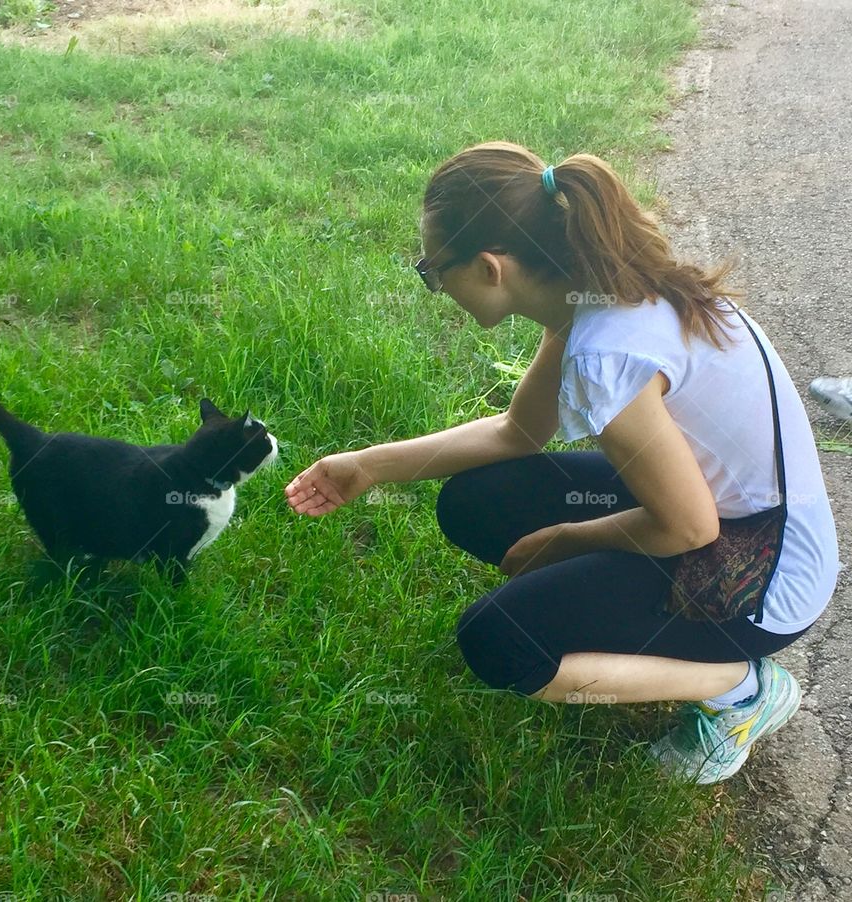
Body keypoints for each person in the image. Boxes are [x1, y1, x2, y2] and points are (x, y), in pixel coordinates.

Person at [284, 141, 840, 785]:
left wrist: (560, 542)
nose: (435, 287)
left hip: (766, 580)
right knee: (474, 502)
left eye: (432, 270)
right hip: (734, 517)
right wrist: (368, 467)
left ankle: (739, 687)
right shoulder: (597, 292)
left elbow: (690, 528)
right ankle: (634, 628)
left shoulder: (608, 352)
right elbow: (519, 431)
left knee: (501, 643)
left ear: (490, 268)